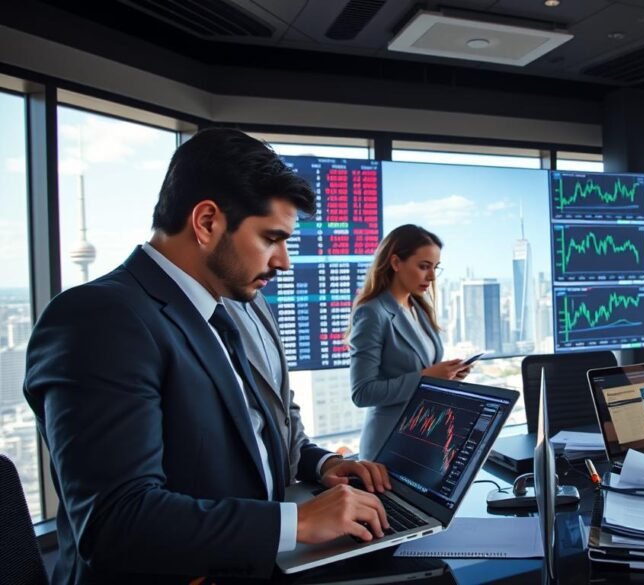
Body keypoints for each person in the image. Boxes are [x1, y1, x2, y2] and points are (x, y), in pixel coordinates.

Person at [24, 128, 390, 585]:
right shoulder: (99, 317)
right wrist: (296, 523)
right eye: (271, 238)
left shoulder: (213, 310)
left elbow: (247, 438)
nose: (284, 262)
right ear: (207, 222)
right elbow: (116, 522)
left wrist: (319, 466)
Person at [223, 294, 389, 489]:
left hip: (284, 504)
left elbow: (282, 414)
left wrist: (325, 463)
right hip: (244, 512)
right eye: (422, 266)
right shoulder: (193, 317)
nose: (283, 264)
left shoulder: (257, 302)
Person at [348, 225, 472, 458]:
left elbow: (420, 368)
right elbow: (362, 393)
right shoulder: (372, 313)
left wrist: (449, 374)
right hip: (388, 446)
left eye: (435, 268)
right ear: (396, 263)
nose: (432, 276)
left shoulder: (419, 308)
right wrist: (426, 378)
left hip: (424, 439)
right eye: (424, 266)